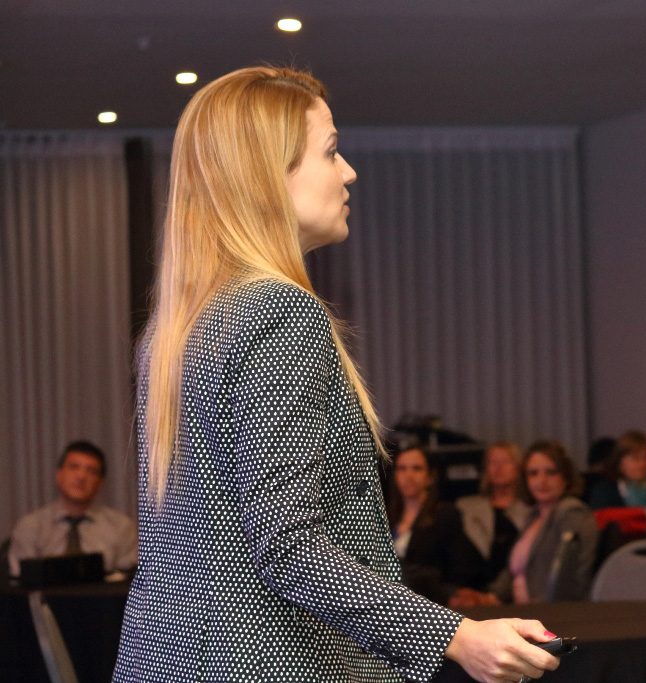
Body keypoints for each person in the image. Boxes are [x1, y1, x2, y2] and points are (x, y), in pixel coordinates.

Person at [113, 66, 558, 683]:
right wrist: (457, 635)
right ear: (268, 174)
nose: (349, 171)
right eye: (330, 151)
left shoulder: (178, 329)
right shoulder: (276, 310)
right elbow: (288, 545)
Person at [488, 440, 598, 604]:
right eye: (533, 473)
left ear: (565, 477)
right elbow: (514, 571)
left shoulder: (572, 512)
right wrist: (489, 597)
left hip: (555, 613)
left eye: (551, 472)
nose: (541, 481)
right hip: (522, 611)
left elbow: (570, 579)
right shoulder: (534, 515)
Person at [8, 440, 137, 577]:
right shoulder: (30, 526)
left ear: (100, 482)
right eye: (74, 467)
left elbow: (129, 580)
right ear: (59, 474)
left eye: (91, 471)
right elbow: (19, 580)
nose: (81, 476)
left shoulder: (121, 528)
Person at [387, 445, 482, 604]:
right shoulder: (386, 515)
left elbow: (457, 567)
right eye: (402, 469)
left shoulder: (444, 515)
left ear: (430, 477)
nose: (408, 475)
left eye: (416, 469)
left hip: (431, 601)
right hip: (391, 601)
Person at [454, 442, 530, 592]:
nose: (498, 468)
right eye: (492, 462)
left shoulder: (530, 512)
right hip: (471, 586)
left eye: (505, 462)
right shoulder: (465, 507)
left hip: (513, 588)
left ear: (518, 467)